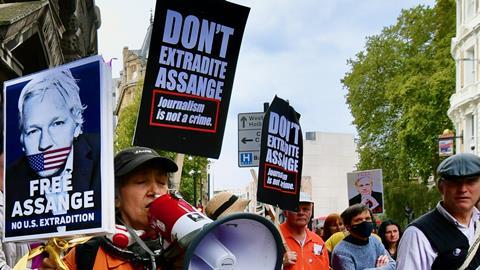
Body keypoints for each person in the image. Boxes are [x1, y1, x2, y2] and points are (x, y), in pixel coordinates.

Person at [41, 146, 180, 269]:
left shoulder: (183, 252)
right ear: (115, 198)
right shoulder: (83, 256)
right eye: (141, 181)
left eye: (162, 182)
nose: (155, 191)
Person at [5, 69, 101, 237]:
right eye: (33, 131)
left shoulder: (102, 160)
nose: (44, 143)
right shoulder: (12, 180)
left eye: (56, 124)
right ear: (22, 139)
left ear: (77, 125)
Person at [397, 153, 480, 269]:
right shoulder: (418, 234)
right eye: (455, 182)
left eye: (470, 181)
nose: (463, 189)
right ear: (441, 186)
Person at [331, 204, 395, 270]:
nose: (364, 222)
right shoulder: (341, 252)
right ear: (348, 227)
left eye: (367, 219)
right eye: (358, 220)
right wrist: (380, 268)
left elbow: (393, 265)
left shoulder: (375, 241)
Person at [280, 192, 330, 270]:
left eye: (305, 209)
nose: (301, 213)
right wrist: (281, 264)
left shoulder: (318, 241)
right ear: (285, 212)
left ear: (311, 212)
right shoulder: (274, 236)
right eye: (296, 209)